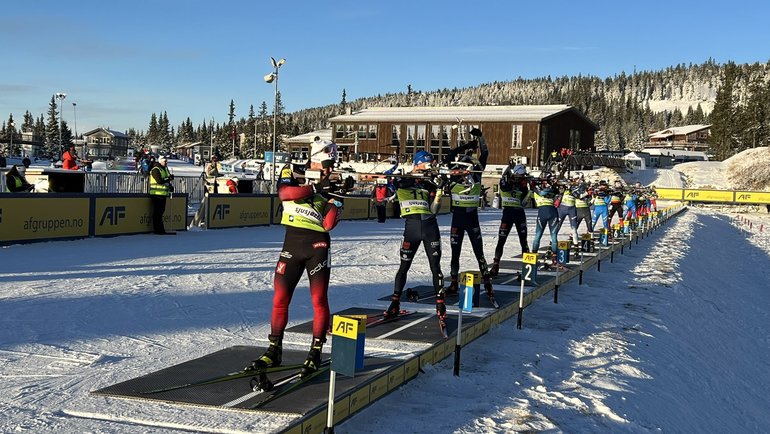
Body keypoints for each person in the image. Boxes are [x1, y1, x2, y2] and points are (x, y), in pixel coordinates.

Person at [247, 140, 344, 378]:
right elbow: (285, 194)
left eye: (332, 165)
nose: (330, 170)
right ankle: (274, 348)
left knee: (319, 299)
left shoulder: (332, 182)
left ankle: (315, 351)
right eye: (327, 164)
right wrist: (314, 188)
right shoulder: (293, 170)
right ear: (316, 159)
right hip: (291, 243)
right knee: (280, 298)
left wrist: (334, 201)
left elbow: (328, 224)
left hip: (317, 245)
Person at [384, 150, 446, 322]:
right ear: (418, 164)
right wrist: (416, 177)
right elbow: (391, 181)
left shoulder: (429, 183)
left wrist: (439, 189)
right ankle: (395, 302)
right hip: (411, 229)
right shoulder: (404, 180)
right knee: (404, 267)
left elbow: (434, 210)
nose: (429, 168)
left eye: (431, 165)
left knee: (435, 267)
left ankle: (440, 304)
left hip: (430, 228)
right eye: (427, 165)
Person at [490, 162, 531, 276]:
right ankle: (495, 265)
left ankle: (527, 268)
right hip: (507, 213)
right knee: (501, 240)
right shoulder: (506, 179)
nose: (521, 178)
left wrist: (525, 186)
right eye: (520, 176)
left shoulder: (522, 184)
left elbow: (524, 199)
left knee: (524, 241)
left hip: (519, 213)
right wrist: (515, 182)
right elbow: (505, 187)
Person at [530, 174, 561, 260]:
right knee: (547, 235)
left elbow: (541, 192)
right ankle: (553, 257)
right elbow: (542, 192)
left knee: (543, 235)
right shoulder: (551, 189)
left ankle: (535, 256)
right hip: (551, 212)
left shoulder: (550, 189)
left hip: (545, 212)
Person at [149, 156, 175, 235]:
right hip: (156, 194)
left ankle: (160, 229)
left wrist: (169, 186)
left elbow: (165, 181)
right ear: (160, 162)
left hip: (163, 194)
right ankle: (158, 230)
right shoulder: (156, 170)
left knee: (161, 212)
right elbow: (159, 181)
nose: (166, 163)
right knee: (158, 212)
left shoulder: (164, 169)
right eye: (164, 161)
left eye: (166, 161)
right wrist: (168, 179)